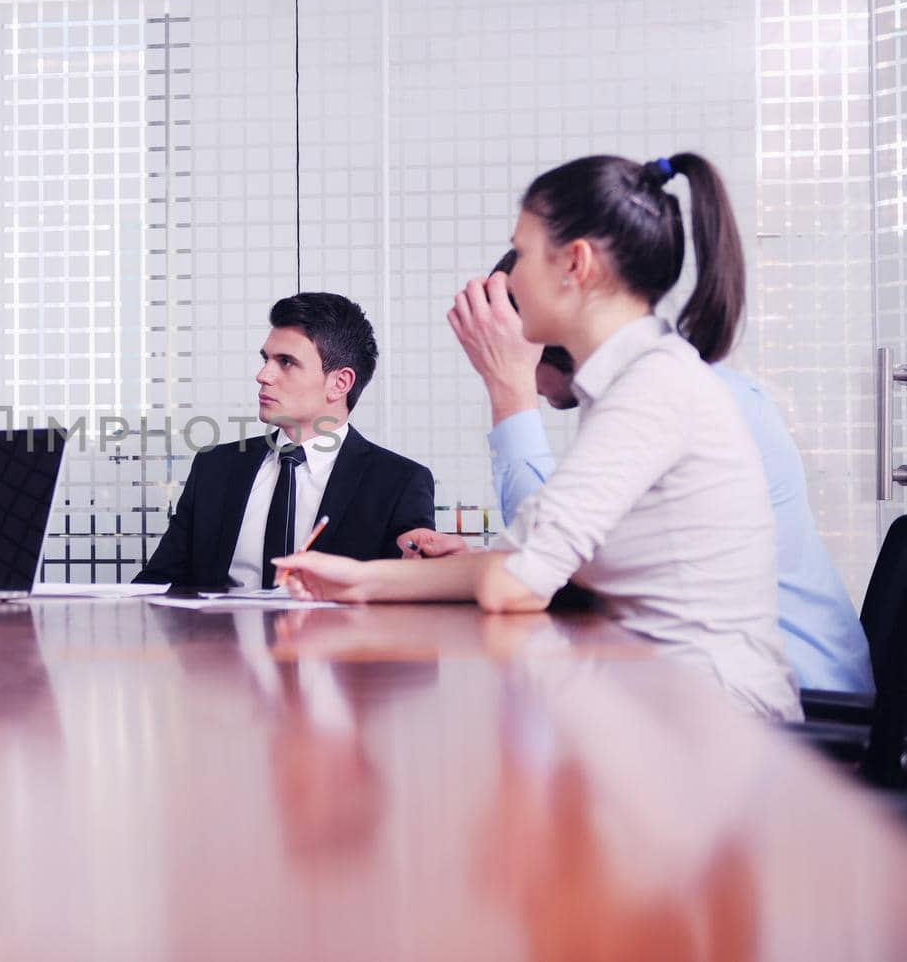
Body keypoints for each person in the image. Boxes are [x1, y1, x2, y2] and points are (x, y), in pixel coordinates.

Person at [276, 154, 802, 721]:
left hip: (714, 717)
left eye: (521, 253)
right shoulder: (630, 382)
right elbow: (526, 562)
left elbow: (514, 585)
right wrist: (358, 580)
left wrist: (371, 580)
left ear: (575, 264)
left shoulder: (652, 388)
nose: (507, 279)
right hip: (655, 698)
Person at [416, 250, 873, 695]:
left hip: (803, 703)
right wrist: (482, 563)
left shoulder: (687, 397)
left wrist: (509, 386)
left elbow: (560, 576)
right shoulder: (644, 394)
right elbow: (575, 552)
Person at [135, 292, 434, 589]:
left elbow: (410, 595)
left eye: (286, 362)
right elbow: (158, 583)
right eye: (266, 359)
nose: (263, 375)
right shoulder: (215, 467)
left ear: (339, 383)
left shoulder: (398, 483)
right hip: (221, 636)